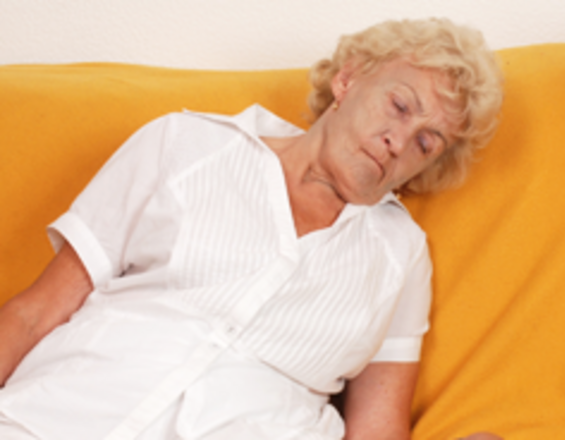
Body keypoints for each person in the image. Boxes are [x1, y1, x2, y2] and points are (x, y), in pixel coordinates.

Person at [0, 17, 503, 440]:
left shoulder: (400, 253)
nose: (400, 140)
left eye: (426, 143)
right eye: (400, 105)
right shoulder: (186, 144)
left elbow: (377, 426)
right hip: (57, 419)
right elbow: (34, 313)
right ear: (347, 80)